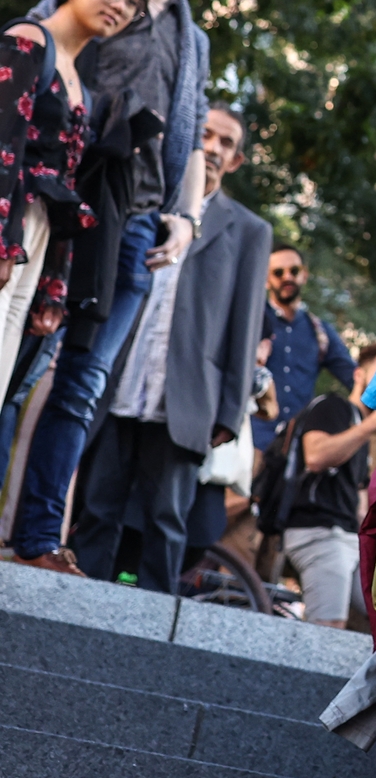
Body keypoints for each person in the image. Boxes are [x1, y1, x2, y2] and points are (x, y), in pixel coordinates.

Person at [12, 0, 221, 575]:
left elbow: (191, 139)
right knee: (18, 363)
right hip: (62, 210)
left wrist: (186, 219)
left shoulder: (194, 37)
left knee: (83, 383)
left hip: (137, 225)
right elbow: (34, 78)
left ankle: (39, 539)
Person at [69, 105, 270, 592]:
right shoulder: (148, 203)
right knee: (97, 507)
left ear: (237, 160)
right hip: (120, 380)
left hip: (185, 398)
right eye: (207, 137)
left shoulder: (248, 230)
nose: (216, 150)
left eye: (227, 143)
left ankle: (154, 633)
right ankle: (79, 606)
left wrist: (228, 409)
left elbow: (245, 329)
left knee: (166, 519)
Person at [0, 0, 149, 427]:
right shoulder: (28, 40)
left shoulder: (81, 83)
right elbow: (3, 144)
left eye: (132, 2)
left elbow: (65, 188)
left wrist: (53, 286)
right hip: (10, 226)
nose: (120, 6)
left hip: (39, 240)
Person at [277, 340, 376, 628]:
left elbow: (361, 503)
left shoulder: (361, 433)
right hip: (320, 532)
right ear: (358, 375)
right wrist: (368, 428)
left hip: (347, 538)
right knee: (328, 630)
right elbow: (315, 456)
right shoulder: (333, 407)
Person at [255, 243, 355, 452]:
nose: (287, 277)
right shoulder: (251, 320)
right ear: (266, 279)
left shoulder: (320, 332)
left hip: (296, 448)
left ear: (304, 275)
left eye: (294, 271)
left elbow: (354, 377)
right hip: (251, 442)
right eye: (278, 272)